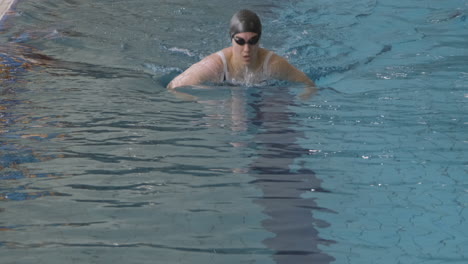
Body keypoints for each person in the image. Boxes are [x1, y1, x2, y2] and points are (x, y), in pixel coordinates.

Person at [167, 9, 316, 97]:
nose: (246, 49)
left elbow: (308, 85)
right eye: (240, 41)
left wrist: (298, 102)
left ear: (260, 39)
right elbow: (173, 87)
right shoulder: (214, 66)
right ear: (231, 39)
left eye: (253, 41)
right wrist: (204, 98)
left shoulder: (273, 65)